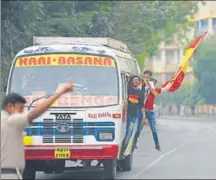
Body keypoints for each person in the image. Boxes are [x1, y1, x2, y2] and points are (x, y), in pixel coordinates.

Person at [1, 82, 73, 179]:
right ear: (10, 106)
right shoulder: (9, 121)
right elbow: (33, 114)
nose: (22, 112)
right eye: (20, 109)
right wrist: (60, 93)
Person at [136, 70, 166, 151]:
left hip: (150, 110)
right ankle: (135, 142)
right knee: (139, 127)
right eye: (145, 75)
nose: (146, 77)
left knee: (153, 128)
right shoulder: (140, 84)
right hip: (142, 110)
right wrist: (143, 83)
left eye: (148, 76)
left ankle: (157, 144)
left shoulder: (151, 84)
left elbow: (153, 92)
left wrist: (148, 83)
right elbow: (138, 92)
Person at [122, 75, 147, 152]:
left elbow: (142, 106)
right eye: (134, 80)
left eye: (137, 80)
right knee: (122, 133)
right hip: (124, 115)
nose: (136, 81)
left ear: (139, 82)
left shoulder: (141, 93)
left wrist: (144, 116)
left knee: (129, 134)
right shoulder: (128, 89)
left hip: (133, 115)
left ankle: (123, 150)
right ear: (131, 81)